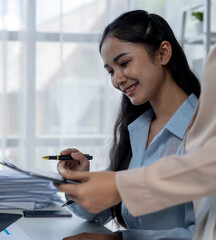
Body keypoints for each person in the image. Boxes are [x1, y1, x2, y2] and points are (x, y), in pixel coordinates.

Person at [56, 16, 216, 240]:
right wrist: (79, 179)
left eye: (123, 63)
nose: (117, 79)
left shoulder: (201, 133)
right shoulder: (138, 129)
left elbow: (203, 233)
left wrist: (120, 239)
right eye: (110, 71)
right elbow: (102, 209)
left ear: (163, 54)